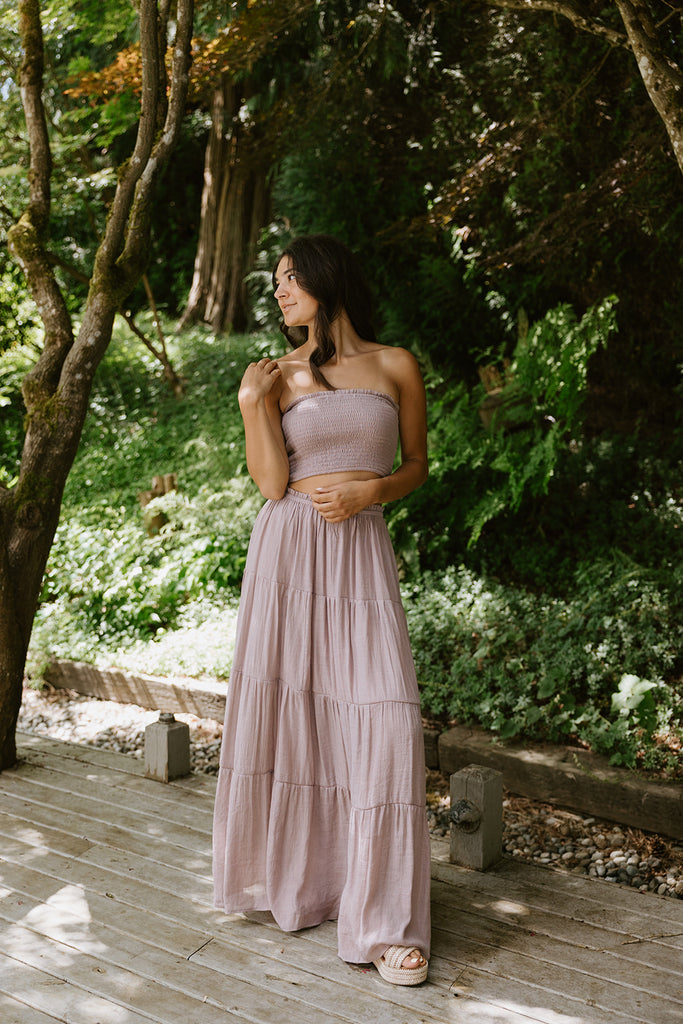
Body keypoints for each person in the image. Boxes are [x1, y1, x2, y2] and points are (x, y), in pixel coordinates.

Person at [212, 234, 431, 985]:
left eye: (290, 278)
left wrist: (375, 490)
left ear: (327, 279)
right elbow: (271, 484)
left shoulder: (395, 365)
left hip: (360, 552)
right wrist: (253, 402)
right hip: (289, 551)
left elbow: (416, 465)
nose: (279, 291)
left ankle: (388, 924)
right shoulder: (277, 375)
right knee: (298, 718)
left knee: (385, 718)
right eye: (276, 281)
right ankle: (313, 886)